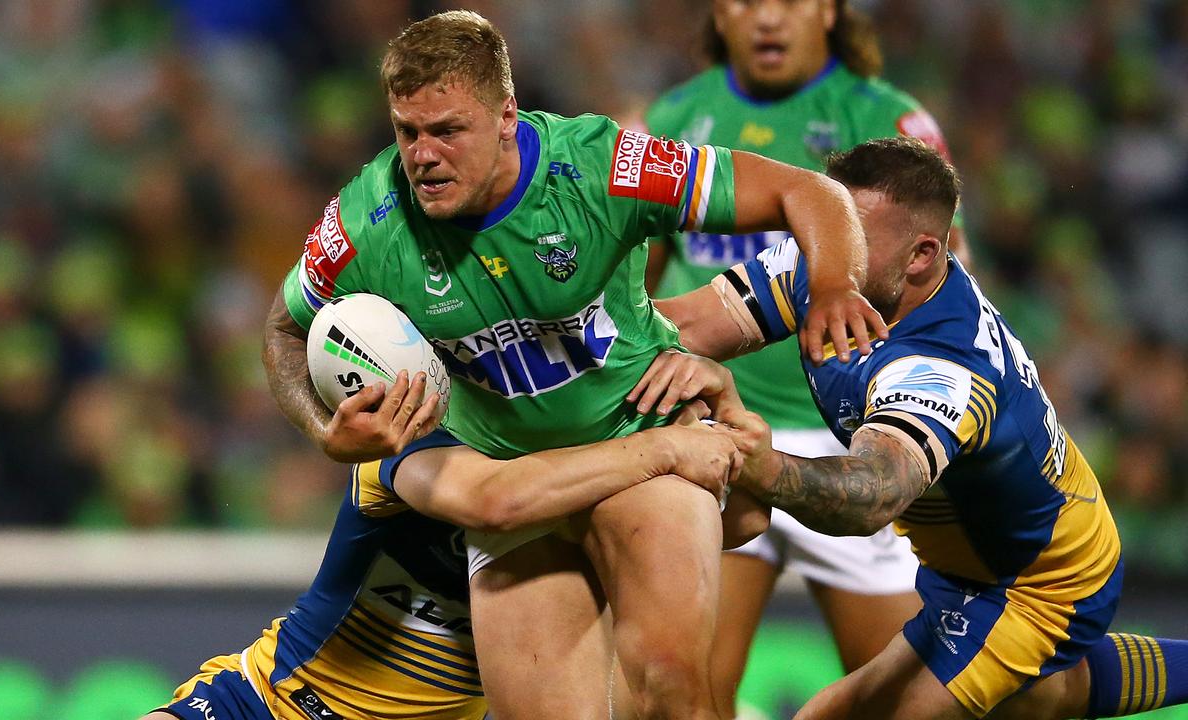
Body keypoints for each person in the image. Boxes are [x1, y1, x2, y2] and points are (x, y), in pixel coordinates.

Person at [261, 11, 882, 719]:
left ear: (505, 116)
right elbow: (283, 330)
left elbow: (810, 191)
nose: (423, 156)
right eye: (407, 132)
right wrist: (324, 432)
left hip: (641, 439)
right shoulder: (368, 220)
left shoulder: (598, 167)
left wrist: (835, 285)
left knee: (672, 692)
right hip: (519, 484)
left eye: (447, 131)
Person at [636, 137, 1188, 719]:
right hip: (968, 557)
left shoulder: (938, 368)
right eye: (823, 221)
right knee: (1037, 698)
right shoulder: (831, 263)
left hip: (1035, 584)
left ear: (922, 256)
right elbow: (686, 326)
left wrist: (757, 463)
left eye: (848, 234)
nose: (823, 245)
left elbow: (871, 496)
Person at [640, 0, 970, 704]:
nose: (767, 19)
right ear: (716, 13)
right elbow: (638, 276)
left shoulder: (890, 123)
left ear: (828, 11)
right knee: (684, 690)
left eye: (789, 0)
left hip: (850, 443)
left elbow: (943, 277)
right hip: (713, 432)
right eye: (746, 1)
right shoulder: (669, 120)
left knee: (898, 701)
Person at [144, 387, 748, 720]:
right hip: (272, 705)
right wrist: (666, 449)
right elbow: (496, 500)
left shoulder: (601, 454)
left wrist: (736, 433)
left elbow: (739, 521)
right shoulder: (409, 445)